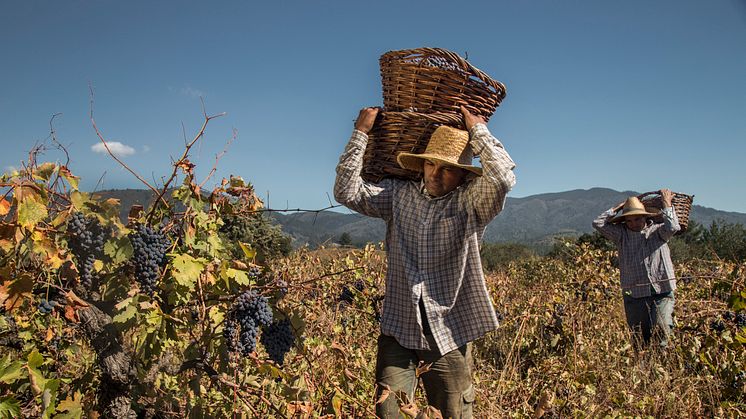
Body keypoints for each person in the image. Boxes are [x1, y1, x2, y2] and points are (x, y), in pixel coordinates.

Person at [334, 105, 516, 418]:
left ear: (462, 175)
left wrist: (479, 132)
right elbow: (346, 192)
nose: (434, 173)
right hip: (398, 326)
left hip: (447, 330)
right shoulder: (398, 194)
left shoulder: (471, 202)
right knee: (389, 412)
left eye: (446, 168)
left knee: (452, 413)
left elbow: (501, 179)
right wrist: (360, 134)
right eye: (430, 163)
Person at [592, 189, 680, 349]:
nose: (633, 224)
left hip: (662, 290)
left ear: (646, 217)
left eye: (638, 219)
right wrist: (618, 207)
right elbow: (597, 223)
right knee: (639, 338)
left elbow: (673, 226)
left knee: (662, 328)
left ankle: (660, 367)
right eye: (629, 221)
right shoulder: (621, 235)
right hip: (635, 294)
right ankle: (643, 369)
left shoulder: (659, 231)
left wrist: (667, 204)